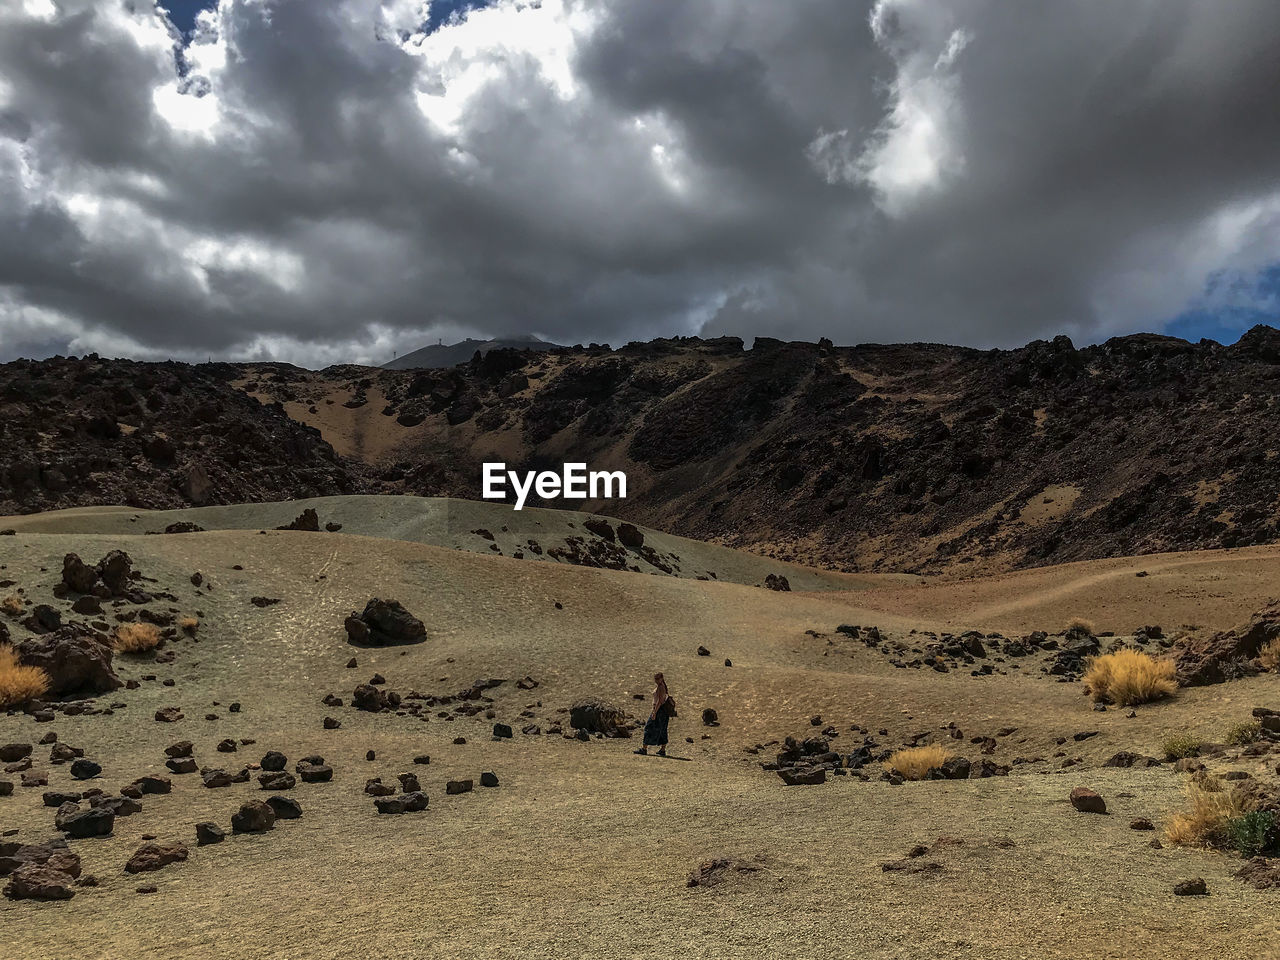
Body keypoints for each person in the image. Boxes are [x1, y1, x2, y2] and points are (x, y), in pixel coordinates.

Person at [635, 672, 675, 756]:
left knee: (649, 727)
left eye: (658, 679)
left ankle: (644, 748)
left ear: (662, 678)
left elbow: (660, 701)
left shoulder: (661, 687)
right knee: (662, 729)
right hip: (662, 711)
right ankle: (662, 749)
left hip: (660, 711)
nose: (656, 681)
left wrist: (654, 712)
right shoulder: (662, 687)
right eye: (655, 679)